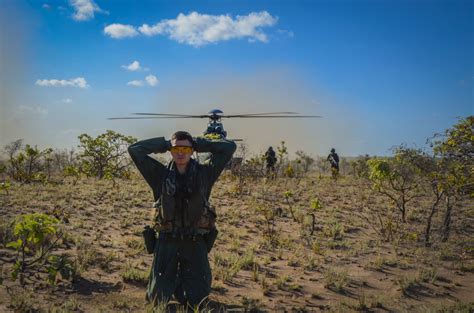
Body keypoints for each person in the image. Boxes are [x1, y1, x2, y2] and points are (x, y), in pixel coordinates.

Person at [128, 131, 236, 307]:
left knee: (198, 301)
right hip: (166, 242)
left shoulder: (205, 173)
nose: (181, 152)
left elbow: (229, 147)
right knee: (157, 300)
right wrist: (164, 144)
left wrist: (199, 143)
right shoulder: (159, 174)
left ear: (192, 150)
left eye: (186, 148)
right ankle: (172, 286)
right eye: (177, 148)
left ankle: (182, 287)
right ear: (171, 150)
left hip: (194, 242)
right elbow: (135, 150)